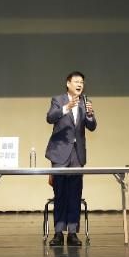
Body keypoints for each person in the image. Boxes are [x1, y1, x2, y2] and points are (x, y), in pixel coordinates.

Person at [45, 71, 97, 246]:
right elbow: (50, 117)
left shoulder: (85, 102)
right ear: (68, 84)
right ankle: (58, 233)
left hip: (77, 153)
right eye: (76, 81)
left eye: (82, 82)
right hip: (60, 152)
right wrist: (66, 107)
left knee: (75, 193)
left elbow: (92, 127)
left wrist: (90, 115)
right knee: (60, 193)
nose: (80, 84)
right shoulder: (58, 100)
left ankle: (73, 233)